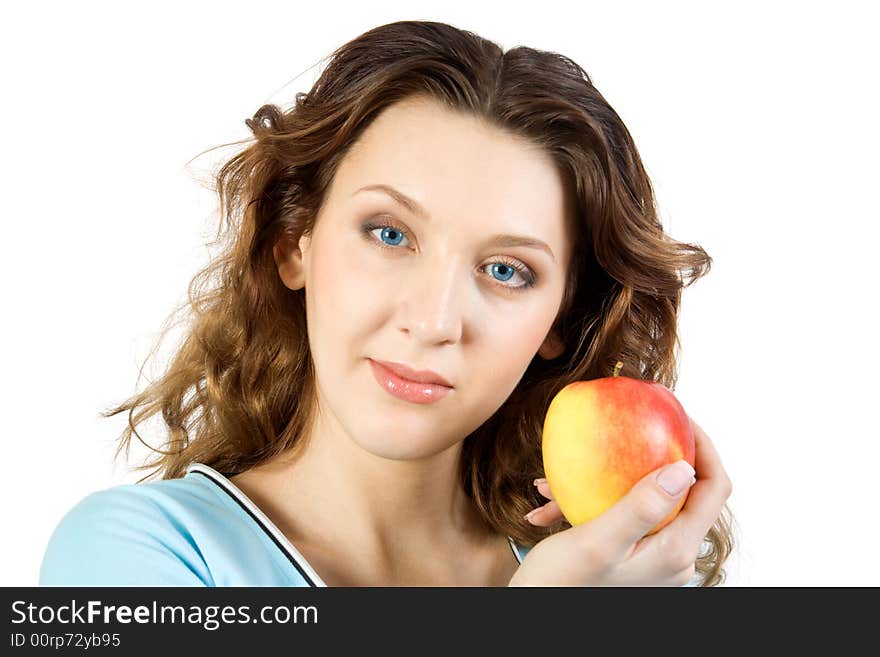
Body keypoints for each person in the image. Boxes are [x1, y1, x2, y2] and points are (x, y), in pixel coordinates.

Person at [39, 20, 734, 587]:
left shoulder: (604, 578)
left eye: (505, 269)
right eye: (389, 233)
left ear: (561, 321)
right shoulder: (133, 556)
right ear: (293, 241)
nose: (433, 320)